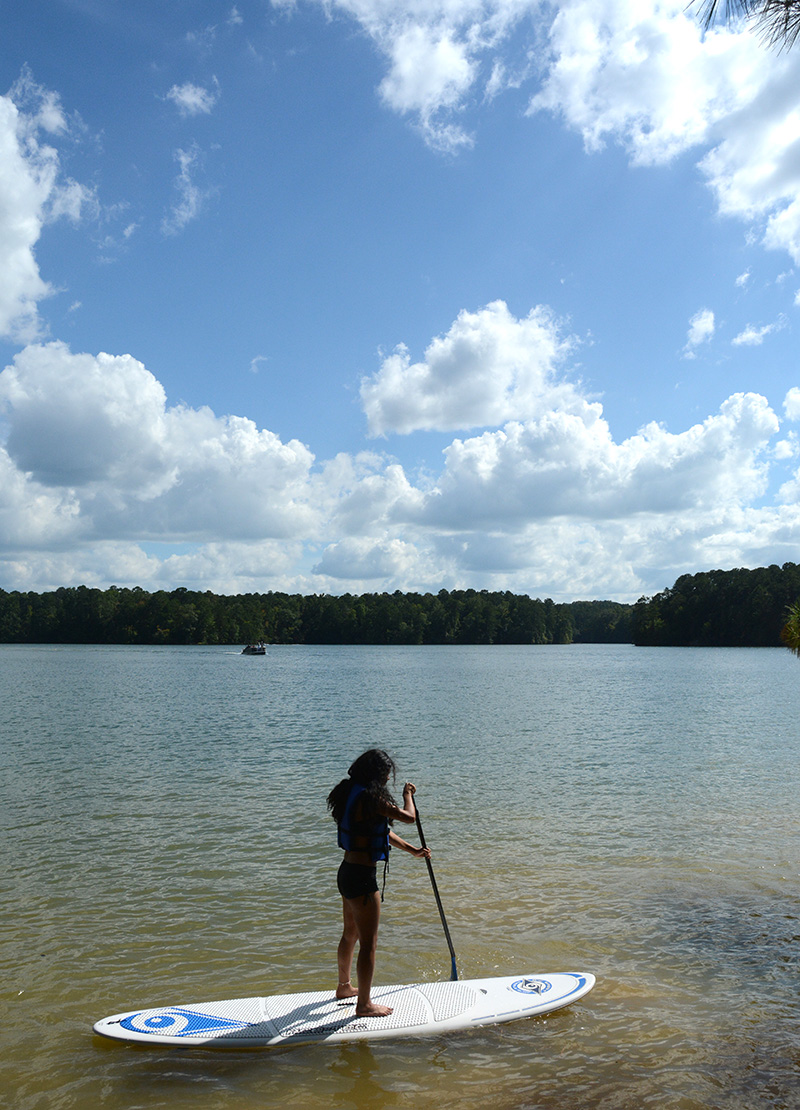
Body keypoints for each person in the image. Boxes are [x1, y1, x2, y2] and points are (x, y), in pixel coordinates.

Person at [326, 749, 430, 1017]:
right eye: (385, 774)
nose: (387, 779)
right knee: (368, 944)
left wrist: (413, 851)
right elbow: (409, 817)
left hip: (346, 872)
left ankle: (344, 987)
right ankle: (364, 1005)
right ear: (375, 774)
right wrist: (408, 794)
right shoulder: (372, 798)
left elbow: (380, 831)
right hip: (362, 878)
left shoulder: (350, 791)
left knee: (350, 934)